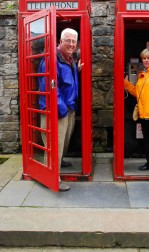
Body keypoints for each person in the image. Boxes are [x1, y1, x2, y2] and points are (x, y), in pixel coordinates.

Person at [38, 28, 84, 191]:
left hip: (69, 106)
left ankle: (59, 162)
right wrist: (62, 109)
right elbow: (50, 87)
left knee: (63, 142)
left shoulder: (70, 59)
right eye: (68, 41)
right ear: (60, 41)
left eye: (74, 41)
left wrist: (76, 70)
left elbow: (67, 81)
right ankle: (52, 179)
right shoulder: (51, 58)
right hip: (56, 109)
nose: (71, 44)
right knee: (54, 145)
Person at [124, 48, 149, 174]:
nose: (146, 60)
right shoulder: (142, 74)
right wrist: (126, 84)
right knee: (147, 141)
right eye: (144, 58)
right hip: (144, 114)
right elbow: (137, 93)